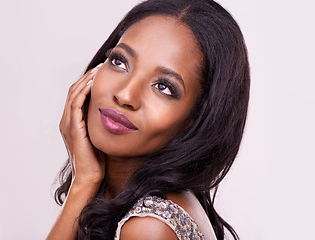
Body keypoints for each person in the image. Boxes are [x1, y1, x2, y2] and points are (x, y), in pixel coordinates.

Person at [47, 0, 250, 239]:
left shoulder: (151, 225)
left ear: (196, 117)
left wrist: (82, 184)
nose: (125, 95)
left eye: (163, 87)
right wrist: (84, 180)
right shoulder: (145, 203)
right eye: (120, 61)